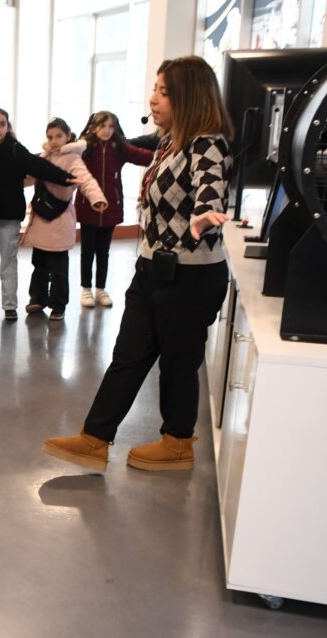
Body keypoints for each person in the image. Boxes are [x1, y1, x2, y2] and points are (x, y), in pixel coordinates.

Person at [42, 55, 234, 473]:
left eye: (164, 91)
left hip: (190, 275)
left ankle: (178, 442)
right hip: (152, 269)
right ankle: (95, 438)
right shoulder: (169, 140)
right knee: (128, 355)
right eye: (155, 89)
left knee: (179, 362)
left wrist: (204, 214)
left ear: (188, 96)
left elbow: (210, 187)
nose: (154, 98)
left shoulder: (207, 143)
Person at [0, 108, 76, 322]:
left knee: (8, 262)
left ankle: (9, 305)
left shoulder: (15, 149)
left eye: (2, 124)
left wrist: (65, 178)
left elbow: (40, 166)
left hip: (9, 218)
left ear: (8, 127)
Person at [21, 118, 106, 320]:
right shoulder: (45, 156)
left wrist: (97, 197)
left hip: (59, 220)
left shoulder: (73, 159)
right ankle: (38, 299)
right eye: (50, 137)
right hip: (42, 218)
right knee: (39, 264)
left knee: (58, 267)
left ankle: (58, 304)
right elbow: (31, 177)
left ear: (68, 136)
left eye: (59, 136)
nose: (54, 140)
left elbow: (85, 180)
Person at [74, 111, 155, 309]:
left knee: (104, 252)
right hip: (88, 206)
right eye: (102, 126)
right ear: (93, 127)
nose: (107, 130)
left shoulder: (119, 147)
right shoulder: (85, 147)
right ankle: (86, 289)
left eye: (111, 126)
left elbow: (145, 157)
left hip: (111, 206)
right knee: (87, 250)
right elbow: (64, 156)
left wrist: (166, 155)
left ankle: (101, 289)